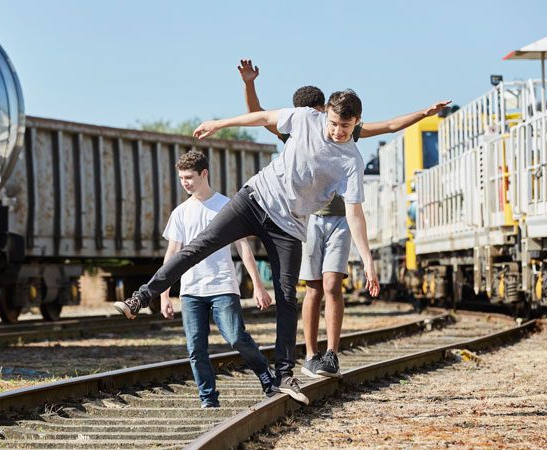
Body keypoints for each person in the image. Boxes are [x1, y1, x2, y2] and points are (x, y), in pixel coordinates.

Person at [115, 85, 380, 398]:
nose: (336, 131)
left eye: (345, 127)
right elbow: (263, 116)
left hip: (289, 226)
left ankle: (284, 375)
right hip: (254, 200)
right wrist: (220, 123)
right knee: (199, 246)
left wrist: (367, 260)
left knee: (285, 297)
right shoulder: (307, 117)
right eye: (333, 123)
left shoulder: (351, 161)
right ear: (326, 114)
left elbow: (355, 214)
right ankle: (141, 297)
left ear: (357, 122)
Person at [237, 59, 450, 378]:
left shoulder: (344, 132)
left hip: (339, 222)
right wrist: (249, 83)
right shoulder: (296, 135)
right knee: (313, 288)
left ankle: (332, 353)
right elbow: (259, 114)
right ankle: (310, 354)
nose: (326, 125)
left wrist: (424, 113)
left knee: (333, 284)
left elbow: (390, 125)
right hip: (306, 222)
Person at [158, 150, 306, 406]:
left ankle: (265, 375)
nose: (185, 183)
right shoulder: (180, 213)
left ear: (204, 174)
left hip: (223, 286)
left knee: (236, 337)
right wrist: (164, 294)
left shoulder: (227, 206)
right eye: (181, 178)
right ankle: (208, 399)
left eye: (189, 177)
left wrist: (258, 286)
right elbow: (173, 254)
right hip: (191, 290)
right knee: (196, 349)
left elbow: (244, 249)